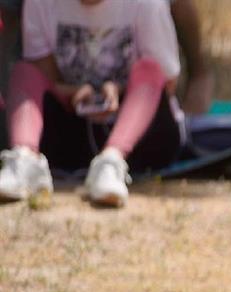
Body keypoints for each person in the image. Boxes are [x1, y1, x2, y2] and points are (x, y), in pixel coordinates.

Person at [0, 0, 183, 207]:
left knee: (150, 70)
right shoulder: (39, 3)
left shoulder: (149, 5)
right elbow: (45, 75)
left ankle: (112, 162)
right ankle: (24, 159)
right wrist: (73, 93)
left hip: (142, 139)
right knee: (24, 72)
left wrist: (118, 91)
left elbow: (166, 83)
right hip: (70, 135)